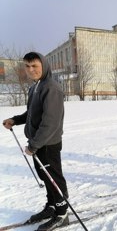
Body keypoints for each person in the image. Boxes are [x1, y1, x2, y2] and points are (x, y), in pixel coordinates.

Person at [2, 52, 69, 230]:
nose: (31, 70)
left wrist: (34, 145)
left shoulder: (51, 88)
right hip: (38, 143)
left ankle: (62, 213)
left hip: (48, 144)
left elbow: (50, 122)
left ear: (43, 66)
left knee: (53, 177)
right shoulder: (35, 87)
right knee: (44, 176)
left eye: (35, 66)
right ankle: (52, 206)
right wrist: (15, 120)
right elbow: (31, 114)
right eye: (27, 66)